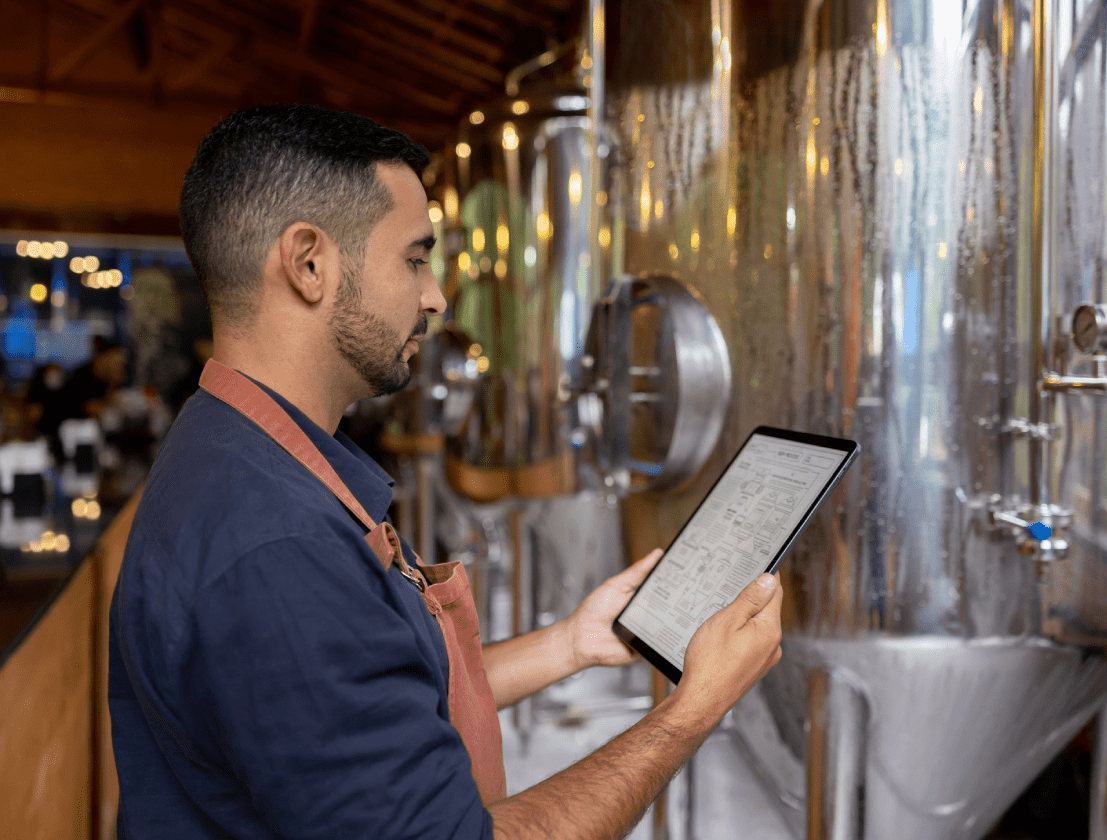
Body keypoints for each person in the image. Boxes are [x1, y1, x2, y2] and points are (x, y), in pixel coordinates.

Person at [108, 104, 783, 840]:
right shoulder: (276, 547)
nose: (436, 296)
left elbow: (367, 697)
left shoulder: (238, 450)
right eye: (415, 258)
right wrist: (692, 712)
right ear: (309, 264)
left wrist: (572, 643)